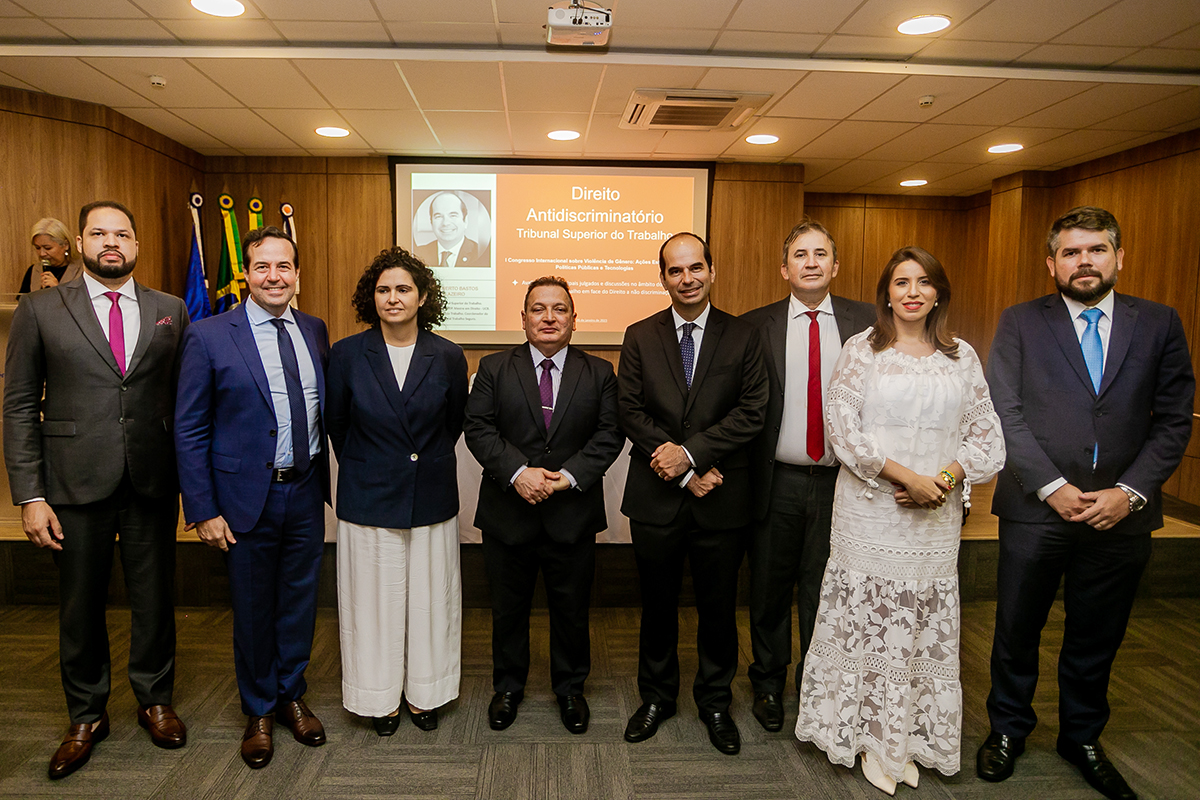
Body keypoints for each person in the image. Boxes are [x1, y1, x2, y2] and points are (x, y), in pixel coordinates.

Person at [979, 207, 1194, 800]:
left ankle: (1082, 736)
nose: (1083, 262)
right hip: (1035, 507)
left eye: (1095, 250)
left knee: (1097, 635)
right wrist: (1052, 485)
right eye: (1070, 253)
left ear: (1118, 256)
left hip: (1120, 516)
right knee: (1017, 629)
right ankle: (1007, 731)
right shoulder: (1021, 322)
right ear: (1051, 263)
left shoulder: (1159, 323)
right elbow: (1005, 411)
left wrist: (1130, 493)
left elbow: (1174, 421)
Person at [795, 246, 1005, 795]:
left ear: (939, 292)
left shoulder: (963, 357)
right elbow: (841, 429)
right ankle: (865, 737)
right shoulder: (860, 349)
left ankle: (906, 737)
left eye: (924, 282)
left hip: (934, 517)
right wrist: (903, 477)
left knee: (918, 628)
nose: (912, 291)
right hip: (870, 510)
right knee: (866, 623)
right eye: (901, 282)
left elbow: (988, 438)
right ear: (886, 292)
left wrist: (945, 478)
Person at [3, 200, 190, 779]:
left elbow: (186, 401)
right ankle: (86, 713)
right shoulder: (39, 308)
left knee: (155, 599)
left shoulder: (171, 310)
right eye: (99, 233)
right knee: (80, 604)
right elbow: (17, 406)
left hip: (152, 480)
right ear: (80, 243)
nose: (112, 242)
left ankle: (154, 699)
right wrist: (30, 495)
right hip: (71, 484)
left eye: (123, 234)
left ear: (136, 246)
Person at [174, 226, 330, 769]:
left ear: (297, 275)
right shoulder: (210, 333)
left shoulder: (314, 330)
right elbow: (189, 428)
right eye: (262, 267)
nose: (274, 277)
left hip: (306, 493)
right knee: (253, 607)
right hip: (242, 500)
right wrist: (203, 508)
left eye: (283, 267)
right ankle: (259, 708)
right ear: (246, 274)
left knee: (298, 604)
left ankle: (291, 694)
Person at [618, 232, 768, 756]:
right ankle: (656, 698)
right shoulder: (639, 335)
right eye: (675, 271)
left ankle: (715, 702)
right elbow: (630, 411)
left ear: (711, 269)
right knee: (657, 606)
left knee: (718, 607)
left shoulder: (745, 336)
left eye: (695, 267)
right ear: (663, 277)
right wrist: (682, 469)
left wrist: (694, 454)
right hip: (658, 498)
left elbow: (752, 410)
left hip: (723, 496)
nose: (687, 278)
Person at [463, 276, 624, 735]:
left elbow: (609, 434)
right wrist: (519, 472)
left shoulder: (599, 373)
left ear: (574, 319)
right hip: (507, 514)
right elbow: (478, 428)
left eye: (559, 309)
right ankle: (508, 687)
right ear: (523, 318)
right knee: (507, 609)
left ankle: (570, 689)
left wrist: (566, 478)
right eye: (539, 309)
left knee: (571, 610)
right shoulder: (493, 367)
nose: (549, 317)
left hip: (571, 514)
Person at [325, 247, 468, 736]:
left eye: (403, 289)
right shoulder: (346, 353)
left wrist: (415, 463)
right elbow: (337, 426)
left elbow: (452, 425)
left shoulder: (447, 355)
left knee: (431, 603)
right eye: (383, 289)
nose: (393, 298)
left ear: (423, 296)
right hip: (368, 496)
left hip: (429, 494)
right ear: (372, 298)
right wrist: (374, 467)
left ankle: (426, 694)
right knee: (373, 604)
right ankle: (378, 699)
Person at [741, 218, 874, 732]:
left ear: (836, 266)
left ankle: (818, 690)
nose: (812, 262)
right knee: (770, 591)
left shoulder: (869, 324)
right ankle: (769, 686)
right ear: (784, 269)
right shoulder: (755, 325)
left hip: (846, 483)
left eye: (821, 254)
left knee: (827, 592)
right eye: (801, 254)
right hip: (777, 480)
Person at [415, 191, 490, 267]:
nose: (445, 223)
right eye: (438, 216)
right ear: (431, 222)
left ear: (465, 220)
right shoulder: (417, 254)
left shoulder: (479, 253)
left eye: (453, 215)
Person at [19, 217, 84, 293]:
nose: (42, 253)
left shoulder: (83, 270)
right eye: (38, 248)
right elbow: (23, 302)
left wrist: (57, 290)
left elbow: (85, 302)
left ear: (65, 245)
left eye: (48, 248)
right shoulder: (34, 270)